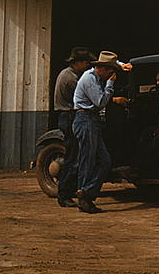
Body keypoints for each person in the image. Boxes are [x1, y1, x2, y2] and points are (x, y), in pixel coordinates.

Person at [72, 50, 130, 214]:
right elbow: (100, 102)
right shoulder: (90, 79)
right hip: (86, 120)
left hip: (91, 121)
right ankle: (84, 197)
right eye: (110, 72)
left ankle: (86, 192)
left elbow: (112, 63)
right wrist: (110, 85)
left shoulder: (96, 75)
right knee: (88, 160)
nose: (111, 74)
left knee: (104, 161)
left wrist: (122, 65)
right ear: (104, 69)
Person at [52, 48, 93, 207]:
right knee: (73, 157)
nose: (87, 66)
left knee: (73, 155)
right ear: (77, 63)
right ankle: (65, 194)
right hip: (69, 116)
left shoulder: (66, 74)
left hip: (66, 116)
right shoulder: (71, 79)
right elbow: (85, 96)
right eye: (85, 62)